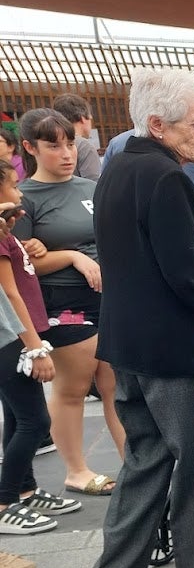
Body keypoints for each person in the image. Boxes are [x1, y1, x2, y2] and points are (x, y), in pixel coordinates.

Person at [81, 68, 194, 568]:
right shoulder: (168, 179)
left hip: (125, 346)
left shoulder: (116, 170)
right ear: (157, 124)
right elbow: (188, 279)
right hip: (173, 355)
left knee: (144, 462)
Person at [14, 109, 126, 496]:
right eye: (52, 145)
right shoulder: (23, 198)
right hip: (62, 300)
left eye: (69, 144)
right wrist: (73, 257)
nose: (66, 154)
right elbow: (20, 263)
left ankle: (133, 463)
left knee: (115, 384)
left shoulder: (90, 187)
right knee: (73, 387)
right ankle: (75, 470)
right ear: (29, 148)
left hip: (106, 296)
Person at [0, 158, 80, 536]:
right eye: (13, 186)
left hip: (15, 337)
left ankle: (25, 489)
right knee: (35, 421)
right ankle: (5, 501)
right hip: (12, 339)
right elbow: (10, 293)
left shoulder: (5, 231)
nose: (19, 193)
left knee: (18, 417)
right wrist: (34, 346)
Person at [51, 94, 102, 181]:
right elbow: (94, 185)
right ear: (82, 118)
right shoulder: (85, 147)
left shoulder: (47, 144)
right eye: (90, 118)